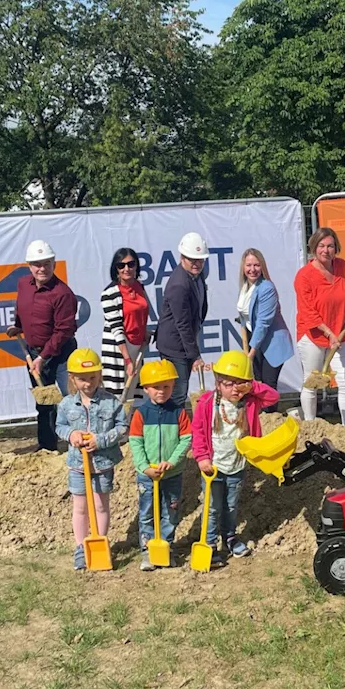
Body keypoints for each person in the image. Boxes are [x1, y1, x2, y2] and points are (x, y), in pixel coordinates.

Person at [191, 350, 280, 565]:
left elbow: (273, 397)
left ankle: (229, 537)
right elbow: (199, 431)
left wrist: (252, 386)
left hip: (236, 466)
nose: (234, 389)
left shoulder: (249, 402)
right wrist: (202, 457)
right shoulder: (207, 404)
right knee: (212, 507)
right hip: (212, 467)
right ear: (218, 383)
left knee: (230, 506)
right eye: (229, 384)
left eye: (240, 384)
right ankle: (210, 544)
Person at [55, 349, 128, 571]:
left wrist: (102, 440)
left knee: (100, 505)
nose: (88, 383)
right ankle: (80, 547)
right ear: (73, 379)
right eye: (82, 379)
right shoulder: (66, 404)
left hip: (103, 463)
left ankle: (101, 541)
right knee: (80, 507)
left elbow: (122, 427)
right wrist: (72, 435)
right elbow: (60, 427)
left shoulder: (111, 402)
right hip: (78, 465)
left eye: (92, 378)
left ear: (99, 375)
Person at [7, 239, 78, 451]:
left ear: (54, 264)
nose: (42, 269)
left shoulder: (63, 293)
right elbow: (22, 308)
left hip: (62, 355)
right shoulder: (23, 284)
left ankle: (81, 444)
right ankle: (47, 447)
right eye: (37, 264)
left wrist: (42, 357)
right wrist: (18, 326)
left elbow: (63, 331)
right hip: (34, 353)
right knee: (44, 402)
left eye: (46, 263)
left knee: (72, 401)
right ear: (30, 266)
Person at [128, 360, 192, 571]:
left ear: (173, 386)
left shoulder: (179, 412)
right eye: (156, 387)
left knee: (170, 511)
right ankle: (147, 551)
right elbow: (135, 442)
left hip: (172, 473)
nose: (162, 391)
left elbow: (186, 439)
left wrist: (172, 462)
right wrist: (144, 466)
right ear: (146, 388)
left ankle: (166, 547)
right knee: (147, 512)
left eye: (167, 386)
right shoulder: (141, 414)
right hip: (147, 475)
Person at [295, 227, 345, 426]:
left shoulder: (340, 266)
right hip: (313, 336)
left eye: (330, 246)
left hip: (339, 334)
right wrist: (328, 333)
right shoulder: (304, 276)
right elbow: (308, 311)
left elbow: (341, 290)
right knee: (312, 382)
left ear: (336, 248)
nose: (326, 250)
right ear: (314, 248)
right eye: (321, 246)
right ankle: (310, 425)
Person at [155, 232, 210, 408]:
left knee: (178, 392)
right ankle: (172, 430)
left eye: (200, 259)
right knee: (177, 393)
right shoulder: (179, 284)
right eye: (192, 259)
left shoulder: (196, 276)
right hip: (175, 347)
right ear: (182, 257)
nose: (197, 263)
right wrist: (195, 355)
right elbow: (183, 324)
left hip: (183, 343)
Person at [237, 248, 293, 413]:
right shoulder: (246, 286)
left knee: (268, 386)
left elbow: (263, 323)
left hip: (272, 344)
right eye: (248, 265)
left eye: (256, 265)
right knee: (257, 383)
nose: (252, 269)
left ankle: (271, 420)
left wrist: (251, 352)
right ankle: (260, 421)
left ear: (262, 267)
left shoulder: (266, 288)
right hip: (256, 342)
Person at [100, 247, 151, 404]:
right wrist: (127, 360)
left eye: (130, 264)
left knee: (135, 395)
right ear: (115, 269)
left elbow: (141, 313)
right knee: (118, 396)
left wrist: (144, 332)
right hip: (118, 349)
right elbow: (116, 328)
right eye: (121, 266)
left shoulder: (140, 287)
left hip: (137, 346)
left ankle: (132, 427)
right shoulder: (109, 294)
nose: (126, 269)